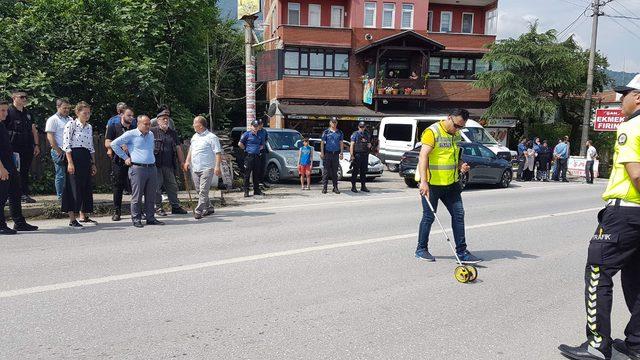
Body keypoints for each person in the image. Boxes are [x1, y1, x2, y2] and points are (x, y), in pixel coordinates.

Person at [559, 75, 640, 360]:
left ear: (638, 97)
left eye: (624, 94)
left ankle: (597, 344)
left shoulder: (632, 126)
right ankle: (636, 344)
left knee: (598, 272)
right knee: (636, 278)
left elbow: (636, 174)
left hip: (625, 212)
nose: (620, 100)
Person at [414, 108, 481, 264]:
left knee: (459, 215)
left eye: (461, 127)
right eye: (456, 125)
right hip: (432, 184)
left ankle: (462, 252)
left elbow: (453, 157)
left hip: (451, 184)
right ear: (449, 118)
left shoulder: (456, 135)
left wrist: (460, 166)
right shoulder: (433, 132)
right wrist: (423, 182)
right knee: (429, 217)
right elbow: (423, 156)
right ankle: (421, 249)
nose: (458, 129)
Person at [110, 115, 164, 228]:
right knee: (137, 195)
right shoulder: (131, 134)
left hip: (152, 167)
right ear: (138, 123)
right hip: (138, 168)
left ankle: (150, 218)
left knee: (151, 195)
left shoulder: (150, 134)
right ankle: (136, 218)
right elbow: (114, 144)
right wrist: (125, 157)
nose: (148, 126)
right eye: (145, 124)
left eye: (149, 124)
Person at [0, 99, 38, 234]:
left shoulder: (2, 126)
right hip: (2, 167)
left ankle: (19, 223)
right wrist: (1, 168)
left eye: (5, 110)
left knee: (15, 193)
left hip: (11, 165)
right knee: (2, 196)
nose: (5, 113)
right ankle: (1, 225)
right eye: (2, 110)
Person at [61, 101, 97, 229]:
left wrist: (93, 163)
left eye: (88, 113)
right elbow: (66, 144)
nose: (87, 115)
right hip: (74, 157)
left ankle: (84, 215)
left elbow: (91, 146)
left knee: (85, 187)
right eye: (84, 113)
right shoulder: (71, 124)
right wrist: (70, 162)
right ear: (77, 112)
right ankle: (72, 219)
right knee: (73, 188)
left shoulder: (89, 127)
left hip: (85, 157)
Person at [183, 116, 222, 219]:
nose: (193, 125)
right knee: (198, 190)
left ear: (200, 126)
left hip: (207, 168)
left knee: (203, 191)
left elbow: (218, 153)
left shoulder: (211, 137)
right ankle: (209, 207)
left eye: (194, 123)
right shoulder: (194, 136)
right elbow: (191, 150)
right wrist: (187, 161)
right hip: (195, 168)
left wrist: (217, 167)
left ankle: (199, 210)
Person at [5, 90, 40, 203]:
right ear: (14, 98)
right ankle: (9, 196)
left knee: (24, 171)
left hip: (27, 147)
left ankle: (24, 194)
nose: (24, 99)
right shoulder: (8, 112)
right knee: (12, 171)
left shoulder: (28, 113)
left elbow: (33, 130)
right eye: (22, 97)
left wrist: (36, 145)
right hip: (13, 148)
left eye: (26, 97)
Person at [151, 111, 187, 216]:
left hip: (169, 165)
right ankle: (158, 208)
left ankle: (175, 206)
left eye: (167, 118)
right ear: (158, 121)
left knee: (172, 186)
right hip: (156, 165)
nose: (166, 120)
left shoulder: (172, 133)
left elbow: (178, 147)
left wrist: (182, 162)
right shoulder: (152, 131)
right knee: (156, 188)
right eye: (163, 118)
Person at [104, 106, 135, 221]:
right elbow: (107, 143)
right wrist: (119, 144)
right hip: (119, 161)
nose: (131, 118)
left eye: (132, 115)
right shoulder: (113, 127)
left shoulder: (134, 128)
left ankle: (137, 211)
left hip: (133, 160)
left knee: (135, 186)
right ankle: (117, 211)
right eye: (129, 115)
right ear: (122, 115)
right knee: (118, 186)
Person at [45, 98, 72, 200]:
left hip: (69, 151)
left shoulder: (70, 119)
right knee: (61, 174)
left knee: (70, 174)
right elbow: (50, 136)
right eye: (64, 108)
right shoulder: (52, 120)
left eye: (68, 108)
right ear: (58, 107)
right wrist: (58, 151)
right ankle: (60, 197)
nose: (66, 110)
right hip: (59, 151)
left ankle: (69, 195)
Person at [238, 120, 263, 198]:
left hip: (257, 156)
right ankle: (246, 191)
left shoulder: (260, 135)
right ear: (251, 126)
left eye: (257, 126)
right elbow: (240, 144)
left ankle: (256, 190)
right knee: (247, 174)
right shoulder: (247, 134)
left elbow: (262, 145)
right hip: (249, 156)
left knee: (256, 174)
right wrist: (246, 149)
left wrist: (257, 150)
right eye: (254, 126)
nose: (255, 128)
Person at [321, 119, 344, 194]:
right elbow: (322, 143)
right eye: (332, 122)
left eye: (335, 122)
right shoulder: (326, 132)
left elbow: (341, 143)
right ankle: (325, 188)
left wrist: (341, 153)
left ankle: (335, 187)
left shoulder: (340, 132)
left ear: (337, 123)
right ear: (330, 123)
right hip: (328, 153)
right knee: (326, 171)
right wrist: (322, 153)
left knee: (335, 171)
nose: (334, 124)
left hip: (336, 154)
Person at [350, 121, 371, 193]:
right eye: (361, 127)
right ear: (358, 127)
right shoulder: (355, 134)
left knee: (363, 171)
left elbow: (368, 143)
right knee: (355, 171)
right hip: (357, 154)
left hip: (365, 154)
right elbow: (352, 145)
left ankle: (363, 186)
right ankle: (353, 187)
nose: (362, 128)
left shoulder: (367, 134)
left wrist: (369, 145)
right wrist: (352, 155)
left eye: (363, 127)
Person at [257, 118, 270, 189]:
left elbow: (266, 139)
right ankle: (257, 182)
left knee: (263, 166)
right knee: (256, 167)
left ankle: (261, 182)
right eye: (259, 124)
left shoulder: (264, 131)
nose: (260, 125)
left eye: (261, 124)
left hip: (263, 150)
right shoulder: (256, 131)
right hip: (256, 151)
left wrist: (263, 144)